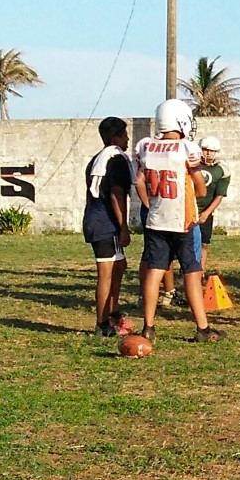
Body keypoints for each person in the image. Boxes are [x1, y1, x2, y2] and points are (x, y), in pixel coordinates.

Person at [133, 99, 227, 344]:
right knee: (192, 273)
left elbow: (140, 181)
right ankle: (202, 328)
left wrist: (148, 203)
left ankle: (148, 327)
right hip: (182, 220)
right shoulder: (188, 148)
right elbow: (200, 189)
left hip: (156, 218)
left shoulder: (145, 147)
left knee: (155, 271)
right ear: (181, 120)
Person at [83, 116, 135, 337]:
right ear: (115, 137)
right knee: (107, 272)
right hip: (105, 222)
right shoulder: (116, 159)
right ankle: (102, 323)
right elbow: (116, 194)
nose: (128, 138)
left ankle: (113, 314)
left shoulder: (97, 158)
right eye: (124, 134)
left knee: (120, 266)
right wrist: (123, 226)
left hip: (97, 219)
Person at [195, 135, 230, 271]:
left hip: (206, 209)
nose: (208, 153)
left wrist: (206, 213)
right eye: (205, 149)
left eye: (212, 150)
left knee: (204, 242)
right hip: (188, 207)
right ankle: (186, 270)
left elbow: (220, 195)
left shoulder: (222, 170)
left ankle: (200, 271)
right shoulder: (192, 164)